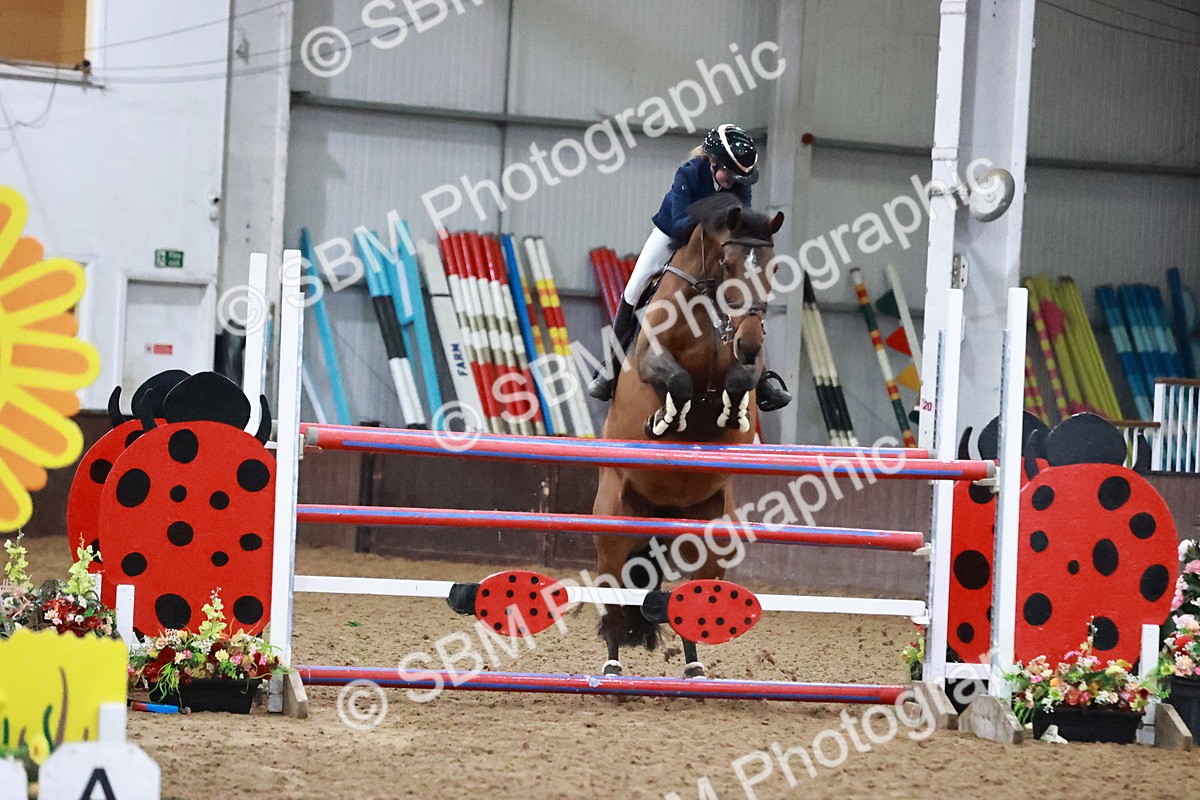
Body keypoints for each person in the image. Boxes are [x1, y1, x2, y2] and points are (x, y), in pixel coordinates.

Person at [587, 123, 791, 411]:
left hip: (717, 243)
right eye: (728, 174)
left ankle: (762, 378)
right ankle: (610, 369)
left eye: (738, 178)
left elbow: (739, 224)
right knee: (634, 288)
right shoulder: (689, 173)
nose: (733, 182)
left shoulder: (740, 184)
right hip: (673, 234)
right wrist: (713, 213)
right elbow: (683, 226)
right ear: (712, 161)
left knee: (746, 294)